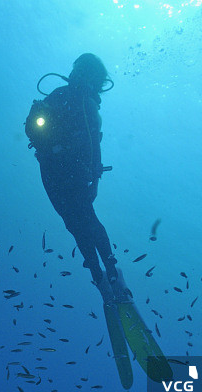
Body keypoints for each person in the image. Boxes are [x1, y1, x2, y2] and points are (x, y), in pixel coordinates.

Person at [28, 53, 122, 297]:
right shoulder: (72, 99)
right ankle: (104, 274)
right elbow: (94, 146)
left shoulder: (74, 99)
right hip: (62, 170)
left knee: (81, 222)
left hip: (58, 171)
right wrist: (95, 180)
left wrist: (94, 179)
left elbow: (94, 144)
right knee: (80, 222)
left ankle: (106, 273)